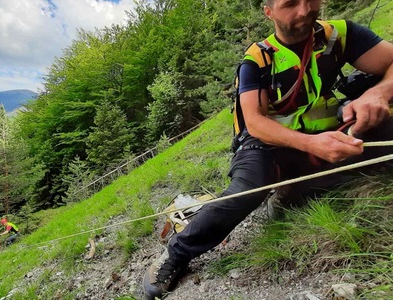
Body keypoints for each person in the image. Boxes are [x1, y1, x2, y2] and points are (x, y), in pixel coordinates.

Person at [142, 0, 393, 298]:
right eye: (290, 4)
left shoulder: (340, 35)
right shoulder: (257, 60)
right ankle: (176, 254)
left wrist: (377, 94)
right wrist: (312, 144)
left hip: (328, 130)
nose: (304, 10)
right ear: (269, 12)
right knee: (246, 191)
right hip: (265, 144)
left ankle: (294, 191)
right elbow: (256, 123)